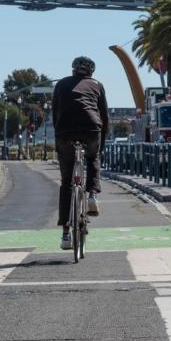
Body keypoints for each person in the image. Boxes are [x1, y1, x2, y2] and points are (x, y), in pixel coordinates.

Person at [52, 56, 109, 251]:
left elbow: (55, 113)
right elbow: (104, 116)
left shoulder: (60, 84)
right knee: (93, 157)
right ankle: (92, 194)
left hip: (65, 133)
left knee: (67, 183)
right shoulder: (97, 85)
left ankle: (66, 235)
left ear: (73, 70)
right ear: (91, 71)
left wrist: (59, 136)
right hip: (91, 129)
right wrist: (101, 144)